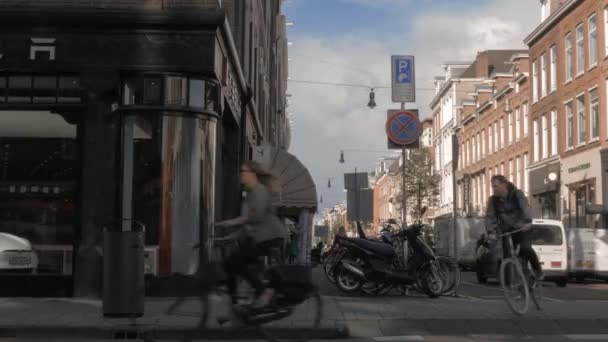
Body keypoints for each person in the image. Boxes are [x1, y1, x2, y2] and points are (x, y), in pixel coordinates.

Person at [216, 161, 288, 309]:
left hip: (270, 237)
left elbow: (256, 217)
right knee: (233, 262)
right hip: (260, 237)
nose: (241, 174)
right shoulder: (250, 194)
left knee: (237, 261)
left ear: (253, 174)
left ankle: (263, 293)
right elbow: (247, 227)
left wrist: (229, 223)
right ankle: (241, 302)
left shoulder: (259, 190)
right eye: (241, 171)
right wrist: (225, 238)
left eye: (244, 171)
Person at [485, 175, 544, 280]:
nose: (494, 189)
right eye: (492, 187)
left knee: (525, 248)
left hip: (521, 228)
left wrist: (527, 222)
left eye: (496, 186)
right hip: (506, 230)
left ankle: (537, 270)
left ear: (504, 184)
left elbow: (525, 208)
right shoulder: (493, 200)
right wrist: (491, 231)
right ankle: (512, 284)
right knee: (507, 256)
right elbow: (490, 217)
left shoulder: (517, 195)